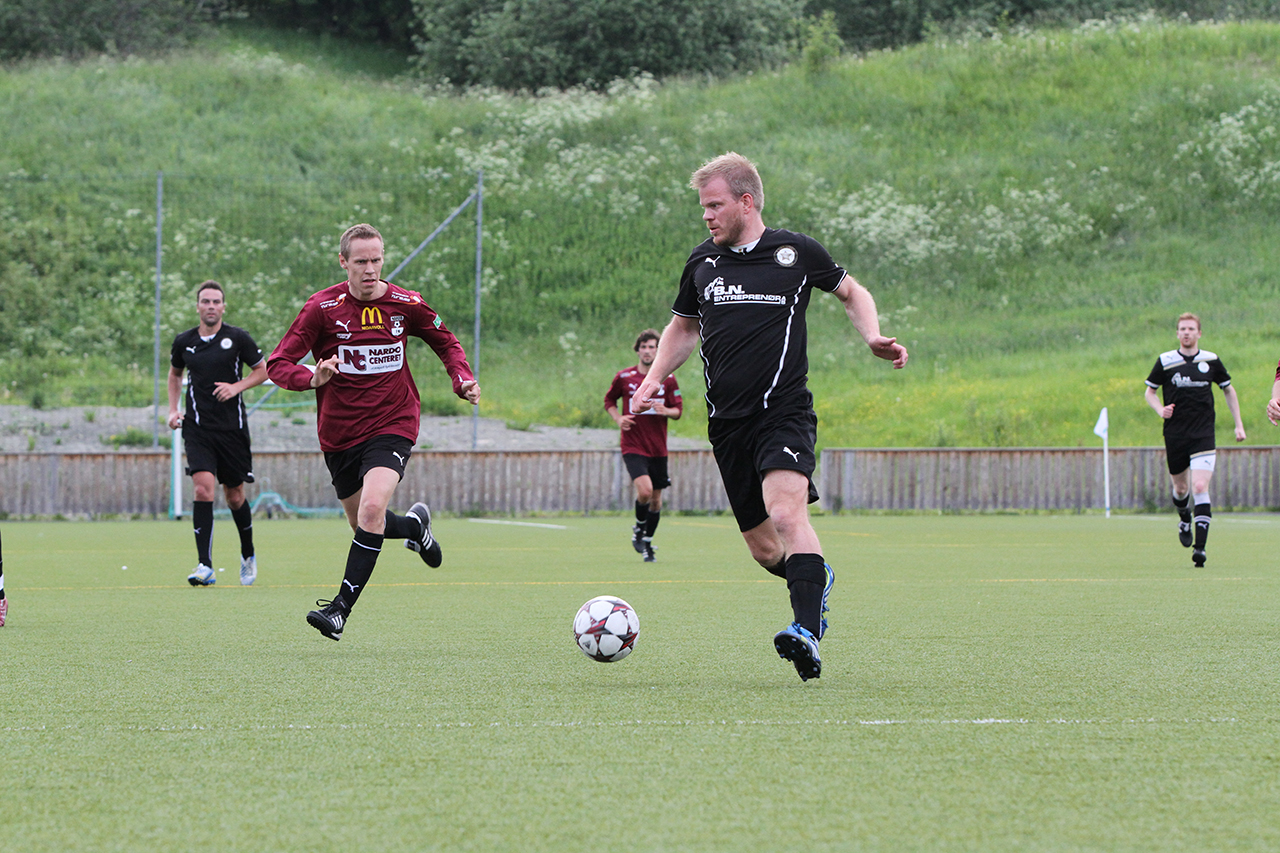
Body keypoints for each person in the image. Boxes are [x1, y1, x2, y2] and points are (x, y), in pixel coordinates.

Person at [633, 152, 908, 681]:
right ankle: (813, 580)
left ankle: (806, 630)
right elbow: (683, 329)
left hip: (783, 411)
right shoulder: (702, 263)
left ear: (746, 201)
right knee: (764, 550)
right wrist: (651, 381)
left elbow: (852, 291)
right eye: (702, 208)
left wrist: (872, 335)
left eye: (714, 205)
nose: (707, 216)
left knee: (786, 514)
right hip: (726, 424)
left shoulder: (795, 252)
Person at [267, 223, 480, 642]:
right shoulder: (321, 308)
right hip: (340, 434)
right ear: (343, 261)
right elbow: (278, 364)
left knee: (370, 511)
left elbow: (447, 342)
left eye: (376, 260)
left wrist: (462, 379)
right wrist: (311, 378)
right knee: (365, 522)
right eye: (361, 261)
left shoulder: (406, 303)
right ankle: (416, 529)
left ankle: (339, 611)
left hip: (393, 423)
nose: (370, 269)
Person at [167, 280, 268, 587]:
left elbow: (263, 370)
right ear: (197, 306)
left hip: (232, 430)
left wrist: (236, 387)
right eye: (205, 301)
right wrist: (172, 410)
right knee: (202, 489)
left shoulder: (237, 338)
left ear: (224, 307)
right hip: (198, 429)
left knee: (235, 496)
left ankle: (248, 555)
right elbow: (175, 374)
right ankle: (204, 565)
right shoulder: (184, 342)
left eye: (216, 302)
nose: (210, 306)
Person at [1144, 312, 1245, 568]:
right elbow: (1150, 392)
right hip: (1176, 434)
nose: (1186, 333)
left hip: (1203, 434)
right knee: (1181, 489)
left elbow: (1228, 390)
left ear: (1199, 333)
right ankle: (1184, 518)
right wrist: (1160, 410)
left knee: (1200, 487)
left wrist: (1238, 425)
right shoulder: (1166, 361)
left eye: (1191, 329)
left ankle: (1200, 549)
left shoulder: (1210, 360)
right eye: (1182, 329)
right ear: (1177, 334)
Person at [605, 329, 683, 562]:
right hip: (633, 444)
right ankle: (639, 527)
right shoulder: (625, 377)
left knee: (657, 500)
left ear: (659, 351)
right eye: (644, 347)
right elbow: (609, 400)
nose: (648, 351)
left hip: (658, 448)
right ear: (637, 350)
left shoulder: (667, 380)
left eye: (652, 347)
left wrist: (665, 410)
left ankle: (647, 542)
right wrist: (619, 419)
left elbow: (678, 411)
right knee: (645, 491)